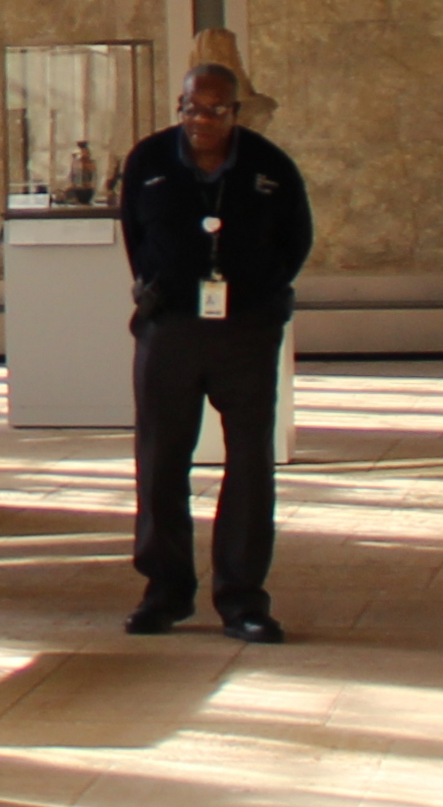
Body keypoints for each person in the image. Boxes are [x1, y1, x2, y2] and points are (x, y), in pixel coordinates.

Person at [118, 37, 310, 640]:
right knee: (161, 460)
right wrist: (159, 290)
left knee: (249, 462)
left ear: (235, 112)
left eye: (213, 110)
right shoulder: (149, 161)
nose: (199, 120)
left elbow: (296, 241)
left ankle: (243, 598)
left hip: (245, 332)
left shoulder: (270, 167)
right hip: (170, 329)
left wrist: (259, 299)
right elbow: (135, 236)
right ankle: (165, 592)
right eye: (189, 108)